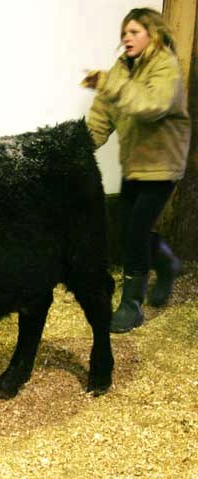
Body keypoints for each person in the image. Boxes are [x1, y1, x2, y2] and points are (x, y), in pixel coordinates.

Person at [82, 8, 190, 333]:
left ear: (152, 34)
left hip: (162, 164)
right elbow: (102, 117)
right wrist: (77, 150)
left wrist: (109, 84)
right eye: (124, 33)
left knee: (135, 232)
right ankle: (167, 262)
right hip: (135, 165)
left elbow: (151, 105)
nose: (126, 38)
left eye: (134, 32)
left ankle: (132, 305)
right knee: (127, 226)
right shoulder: (121, 70)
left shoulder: (165, 66)